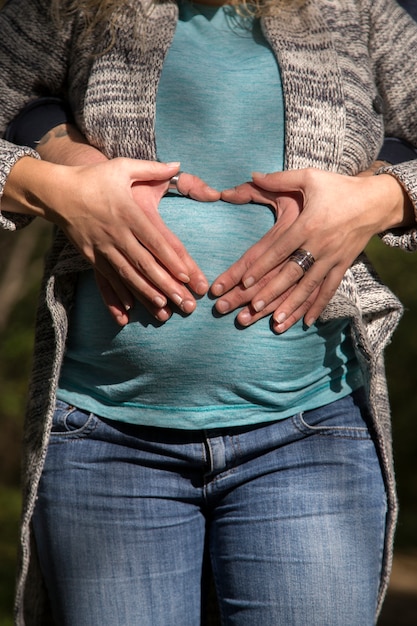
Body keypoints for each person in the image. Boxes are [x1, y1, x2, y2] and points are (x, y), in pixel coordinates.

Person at [1, 0, 417, 624]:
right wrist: (61, 182)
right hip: (104, 442)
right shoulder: (70, 8)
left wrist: (378, 200)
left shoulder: (367, 11)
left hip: (309, 434)